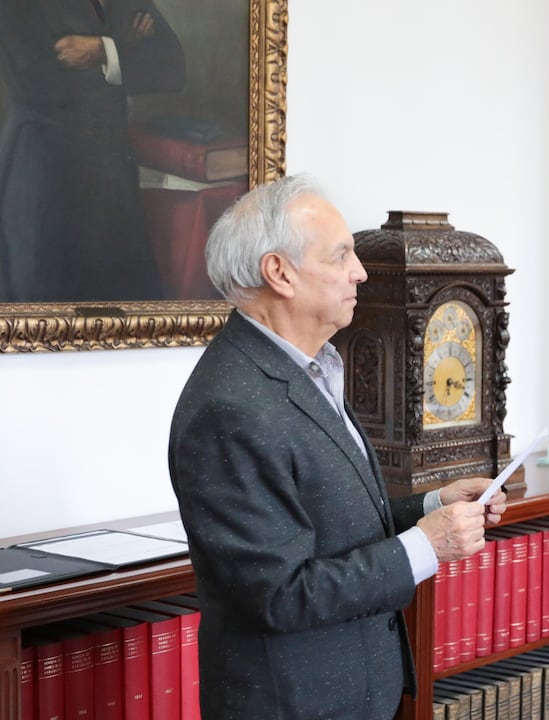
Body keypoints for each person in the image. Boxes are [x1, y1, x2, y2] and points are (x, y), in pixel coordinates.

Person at [168, 175, 507, 719]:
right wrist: (425, 546)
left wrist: (430, 508)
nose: (361, 272)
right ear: (279, 273)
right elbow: (278, 593)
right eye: (342, 255)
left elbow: (331, 520)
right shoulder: (229, 405)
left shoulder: (311, 367)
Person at [0, 0, 183, 302]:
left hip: (113, 179)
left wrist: (104, 49)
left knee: (127, 316)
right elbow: (36, 83)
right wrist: (126, 46)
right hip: (45, 180)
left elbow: (173, 69)